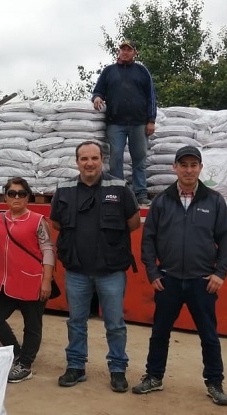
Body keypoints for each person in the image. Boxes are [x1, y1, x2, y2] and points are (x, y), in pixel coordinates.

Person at [133, 146, 227, 406]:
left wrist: (219, 274)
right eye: (184, 165)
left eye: (193, 165)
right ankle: (154, 376)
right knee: (159, 333)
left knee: (209, 335)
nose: (189, 170)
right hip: (169, 281)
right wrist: (153, 272)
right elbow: (149, 241)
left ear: (200, 168)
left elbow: (226, 242)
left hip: (203, 283)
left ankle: (214, 382)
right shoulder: (162, 201)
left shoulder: (214, 201)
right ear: (175, 168)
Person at [50, 141, 140, 393]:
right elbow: (55, 223)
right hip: (76, 271)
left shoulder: (120, 188)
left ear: (102, 160)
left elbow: (133, 223)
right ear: (77, 161)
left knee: (115, 323)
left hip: (111, 271)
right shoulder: (65, 189)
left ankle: (118, 369)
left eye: (94, 158)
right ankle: (76, 366)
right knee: (76, 321)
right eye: (83, 158)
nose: (89, 163)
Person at [0, 177, 55, 383]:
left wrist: (47, 280)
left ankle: (25, 364)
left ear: (28, 197)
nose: (16, 197)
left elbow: (48, 250)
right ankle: (16, 351)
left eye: (21, 194)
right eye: (12, 193)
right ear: (5, 197)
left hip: (32, 282)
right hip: (4, 283)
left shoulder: (38, 220)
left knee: (32, 325)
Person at [92, 39, 157, 206]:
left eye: (129, 49)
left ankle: (140, 194)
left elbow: (151, 96)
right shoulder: (109, 71)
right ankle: (117, 192)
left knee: (139, 158)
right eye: (123, 49)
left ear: (134, 52)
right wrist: (97, 97)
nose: (125, 52)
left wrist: (151, 120)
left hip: (139, 122)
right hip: (116, 123)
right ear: (118, 51)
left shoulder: (142, 71)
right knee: (115, 158)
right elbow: (98, 90)